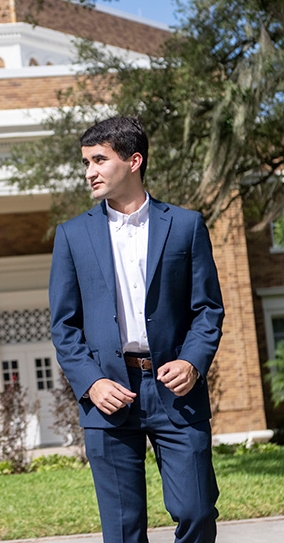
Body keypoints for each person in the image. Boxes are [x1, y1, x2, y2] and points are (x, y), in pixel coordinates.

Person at [49, 116, 224, 543]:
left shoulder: (185, 225)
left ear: (133, 161)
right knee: (123, 530)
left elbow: (208, 309)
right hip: (107, 395)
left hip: (177, 392)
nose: (89, 171)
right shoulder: (71, 235)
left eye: (99, 160)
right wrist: (91, 383)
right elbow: (63, 325)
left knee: (197, 511)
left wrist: (192, 361)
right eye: (86, 162)